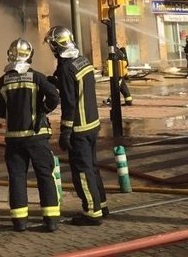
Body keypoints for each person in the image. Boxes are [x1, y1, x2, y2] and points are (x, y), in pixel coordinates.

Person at [0, 38, 61, 233]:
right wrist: (43, 111)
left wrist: (12, 113)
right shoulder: (37, 77)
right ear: (30, 55)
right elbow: (54, 96)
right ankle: (51, 220)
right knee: (45, 175)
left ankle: (20, 222)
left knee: (17, 178)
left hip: (14, 138)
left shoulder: (2, 81)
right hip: (37, 136)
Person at [44, 25, 107, 226]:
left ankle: (92, 212)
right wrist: (58, 82)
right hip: (93, 124)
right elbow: (78, 87)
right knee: (92, 167)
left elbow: (70, 103)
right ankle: (101, 204)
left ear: (57, 46)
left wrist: (65, 131)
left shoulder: (65, 68)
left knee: (82, 170)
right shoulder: (83, 61)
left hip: (79, 128)